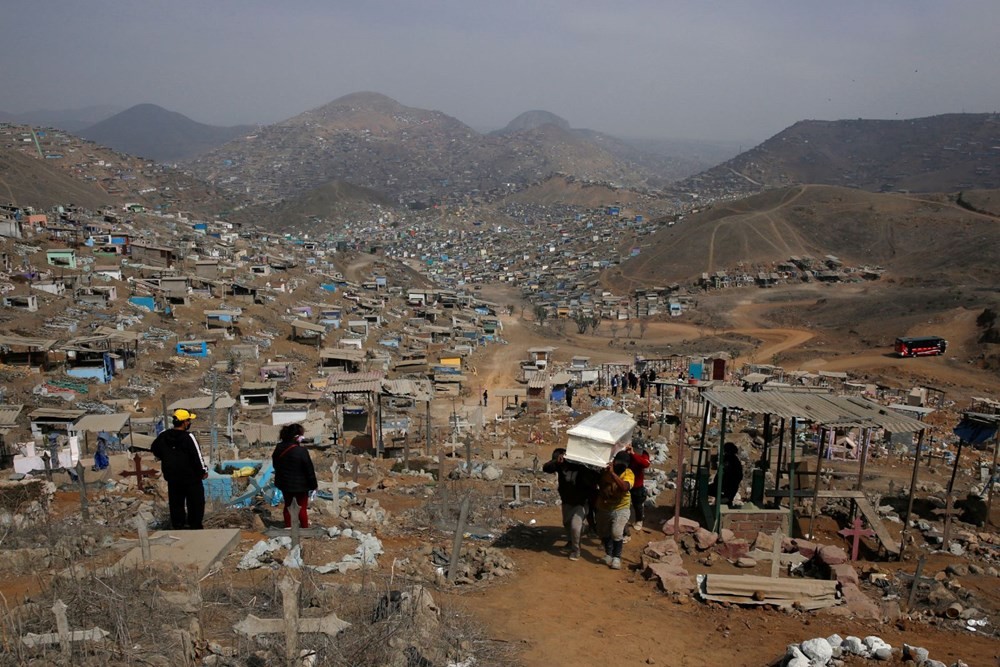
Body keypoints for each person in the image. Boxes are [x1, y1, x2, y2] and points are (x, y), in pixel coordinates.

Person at [151, 409, 208, 529]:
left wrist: (167, 458)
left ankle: (178, 526)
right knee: (196, 503)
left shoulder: (164, 435)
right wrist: (203, 471)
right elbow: (197, 456)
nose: (189, 423)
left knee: (176, 504)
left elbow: (154, 448)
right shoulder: (189, 437)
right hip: (191, 478)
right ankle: (195, 526)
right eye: (189, 420)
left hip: (173, 477)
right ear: (184, 422)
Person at [542, 448, 598, 561]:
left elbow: (592, 478)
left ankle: (576, 550)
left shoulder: (581, 467)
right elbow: (546, 468)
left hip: (581, 502)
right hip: (567, 501)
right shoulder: (559, 465)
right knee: (567, 524)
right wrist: (556, 462)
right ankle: (572, 541)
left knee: (575, 526)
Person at [272, 423, 318, 528]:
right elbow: (309, 470)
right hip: (301, 486)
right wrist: (313, 485)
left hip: (284, 484)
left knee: (288, 506)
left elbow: (275, 465)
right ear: (297, 437)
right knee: (301, 508)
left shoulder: (279, 448)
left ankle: (288, 527)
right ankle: (304, 528)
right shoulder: (301, 451)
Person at [596, 450, 634, 570]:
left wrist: (612, 474)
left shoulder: (629, 474)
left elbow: (624, 487)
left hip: (621, 507)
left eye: (624, 463)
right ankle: (609, 554)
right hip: (604, 506)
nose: (621, 465)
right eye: (619, 462)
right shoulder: (604, 471)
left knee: (617, 532)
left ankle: (617, 557)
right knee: (604, 532)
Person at [626, 440, 651, 530]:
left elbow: (645, 463)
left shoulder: (644, 454)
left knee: (637, 505)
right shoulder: (627, 453)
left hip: (637, 484)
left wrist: (633, 454)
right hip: (627, 483)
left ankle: (639, 520)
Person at [711, 442, 744, 507]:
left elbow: (725, 473)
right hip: (726, 487)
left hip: (728, 488)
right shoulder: (731, 460)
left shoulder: (731, 461)